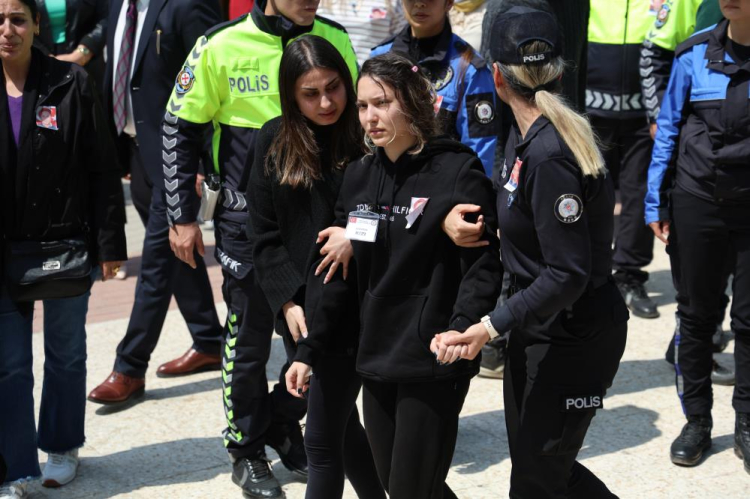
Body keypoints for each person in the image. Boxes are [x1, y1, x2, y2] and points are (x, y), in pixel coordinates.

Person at [163, 0, 358, 495]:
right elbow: (178, 128)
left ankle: (281, 419)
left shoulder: (334, 37)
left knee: (325, 338)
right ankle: (246, 448)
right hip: (247, 223)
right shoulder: (219, 44)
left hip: (320, 225)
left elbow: (361, 121)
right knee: (248, 342)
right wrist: (180, 216)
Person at [286, 52, 502, 498]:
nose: (370, 117)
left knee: (409, 489)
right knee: (397, 483)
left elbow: (483, 265)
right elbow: (338, 279)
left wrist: (463, 327)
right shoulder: (359, 177)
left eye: (382, 103)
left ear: (414, 101)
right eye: (363, 106)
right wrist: (308, 351)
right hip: (378, 354)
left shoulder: (457, 169)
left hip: (436, 354)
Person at [439, 7, 628, 497]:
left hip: (574, 335)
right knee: (542, 470)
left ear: (497, 78)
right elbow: (522, 218)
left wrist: (489, 327)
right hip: (539, 326)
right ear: (560, 73)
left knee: (535, 480)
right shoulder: (525, 135)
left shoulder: (549, 154)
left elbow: (567, 273)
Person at [248, 35, 384, 499]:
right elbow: (263, 234)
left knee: (322, 441)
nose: (326, 103)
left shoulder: (368, 135)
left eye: (333, 88)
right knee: (343, 427)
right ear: (290, 95)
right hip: (301, 312)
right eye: (310, 94)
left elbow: (392, 207)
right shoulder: (273, 139)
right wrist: (286, 301)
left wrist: (355, 234)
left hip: (354, 304)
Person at [0, 0, 127, 494]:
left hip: (64, 242)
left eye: (17, 19)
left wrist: (110, 244)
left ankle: (61, 443)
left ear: (37, 24)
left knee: (66, 354)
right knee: (9, 364)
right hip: (4, 249)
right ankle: (13, 467)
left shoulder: (71, 83)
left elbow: (102, 167)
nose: (7, 30)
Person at [86, 0, 225, 407]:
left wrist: (199, 163)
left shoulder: (187, 6)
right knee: (175, 254)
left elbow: (211, 82)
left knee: (154, 267)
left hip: (176, 160)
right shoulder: (118, 6)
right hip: (137, 152)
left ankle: (129, 366)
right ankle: (209, 340)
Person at [644, 0, 750, 470]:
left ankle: (746, 422)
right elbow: (668, 129)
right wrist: (655, 200)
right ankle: (697, 422)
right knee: (696, 318)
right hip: (697, 202)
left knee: (749, 321)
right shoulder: (693, 54)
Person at [640, 0, 735, 385]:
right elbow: (655, 52)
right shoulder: (705, 26)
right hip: (700, 185)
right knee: (699, 295)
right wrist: (657, 201)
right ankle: (693, 346)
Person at [586, 0, 660, 320]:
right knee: (586, 194)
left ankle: (629, 276)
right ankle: (586, 275)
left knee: (640, 194)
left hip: (645, 117)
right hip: (589, 113)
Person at [370, 0, 498, 176]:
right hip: (387, 180)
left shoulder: (469, 68)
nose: (419, 4)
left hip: (444, 184)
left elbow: (480, 149)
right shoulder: (379, 58)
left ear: (449, 3)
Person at [32, 0, 108, 88]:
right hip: (38, 65)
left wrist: (82, 53)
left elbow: (106, 16)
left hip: (87, 63)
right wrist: (43, 55)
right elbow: (21, 21)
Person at [316, 0, 406, 65]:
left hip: (375, 73)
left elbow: (401, 40)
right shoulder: (321, 2)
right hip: (331, 72)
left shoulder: (392, 2)